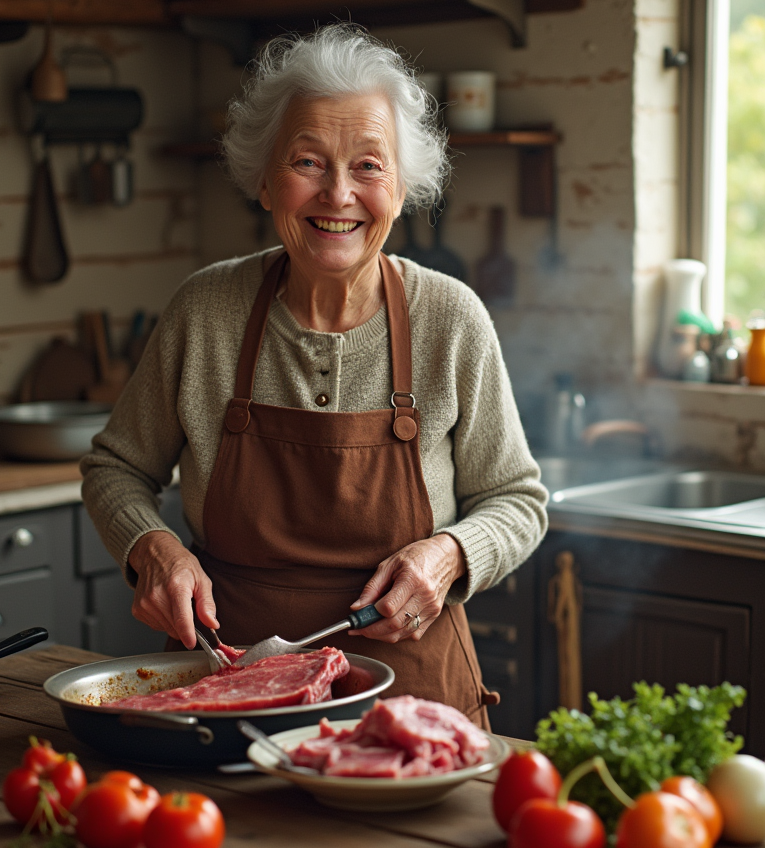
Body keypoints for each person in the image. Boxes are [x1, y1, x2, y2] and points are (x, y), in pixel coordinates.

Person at [80, 23, 548, 729]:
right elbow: (115, 467)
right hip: (230, 689)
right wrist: (154, 548)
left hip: (412, 705)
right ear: (264, 179)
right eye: (307, 161)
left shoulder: (451, 317)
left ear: (401, 187)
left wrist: (450, 554)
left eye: (367, 165)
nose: (338, 193)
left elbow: (518, 499)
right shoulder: (205, 309)